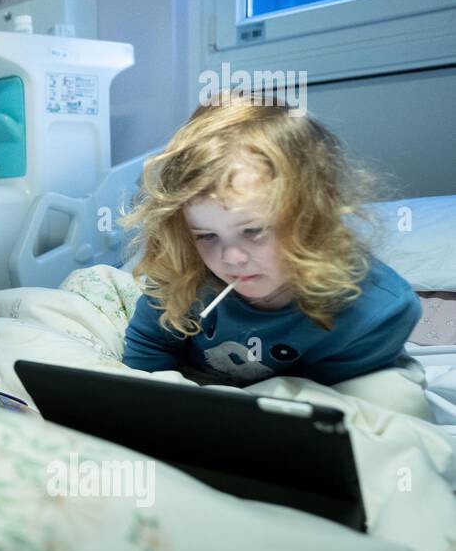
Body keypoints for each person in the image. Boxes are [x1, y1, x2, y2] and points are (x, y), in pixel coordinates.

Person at [119, 91, 421, 387]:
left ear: (311, 216)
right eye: (207, 235)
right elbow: (148, 351)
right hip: (202, 392)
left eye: (253, 231)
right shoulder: (185, 271)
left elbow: (335, 409)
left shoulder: (375, 310)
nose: (231, 258)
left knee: (397, 397)